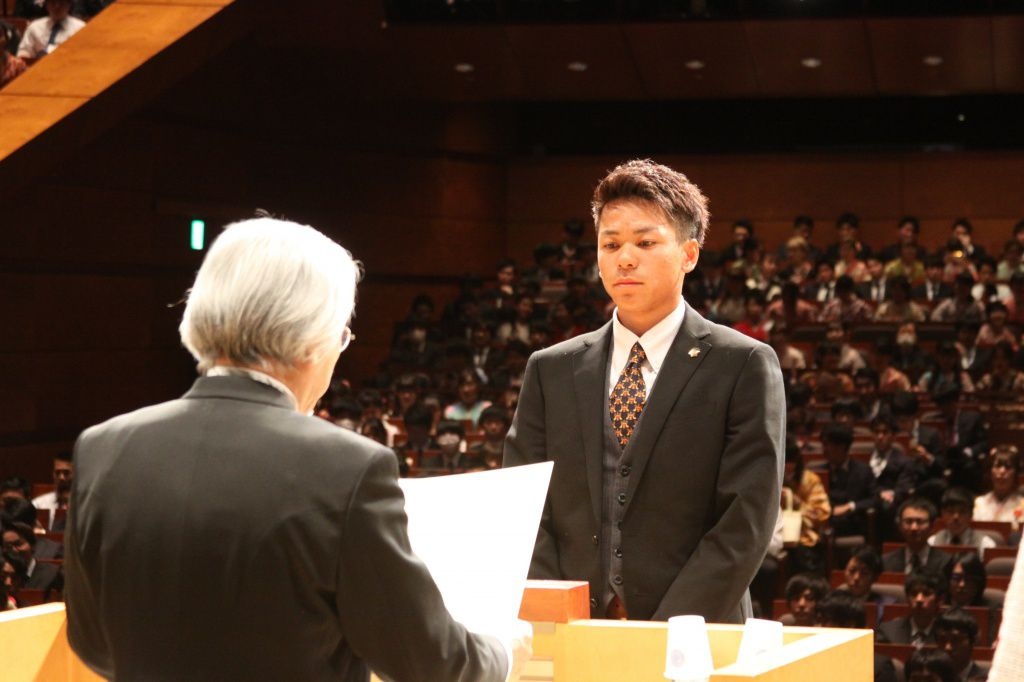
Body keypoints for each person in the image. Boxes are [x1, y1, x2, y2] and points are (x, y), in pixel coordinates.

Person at [65, 217, 529, 681]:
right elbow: (431, 665)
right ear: (313, 340)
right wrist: (503, 651)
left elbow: (92, 642)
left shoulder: (103, 449)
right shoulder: (347, 468)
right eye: (341, 337)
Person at [504, 159, 785, 623]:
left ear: (689, 255)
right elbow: (524, 506)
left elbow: (746, 520)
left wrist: (670, 630)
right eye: (610, 244)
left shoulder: (743, 362)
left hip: (697, 633)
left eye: (646, 242)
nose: (625, 257)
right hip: (574, 629)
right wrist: (561, 612)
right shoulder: (551, 368)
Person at [883, 499, 953, 577]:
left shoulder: (945, 562)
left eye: (920, 522)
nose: (914, 528)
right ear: (899, 526)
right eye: (908, 521)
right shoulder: (887, 561)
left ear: (932, 526)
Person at [876, 572, 944, 646]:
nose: (919, 599)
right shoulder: (888, 631)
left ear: (940, 600)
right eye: (914, 594)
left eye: (926, 593)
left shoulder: (947, 634)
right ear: (907, 599)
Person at [16, 0, 85, 60]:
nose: (57, 6)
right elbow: (23, 54)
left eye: (61, 2)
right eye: (53, 2)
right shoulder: (34, 27)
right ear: (46, 5)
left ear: (69, 4)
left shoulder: (81, 28)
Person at [933, 609, 989, 681]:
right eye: (942, 639)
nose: (948, 647)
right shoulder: (927, 678)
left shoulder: (989, 679)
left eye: (956, 640)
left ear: (973, 641)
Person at [32, 451, 72, 530]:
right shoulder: (38, 504)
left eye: (66, 473)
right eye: (57, 473)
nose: (61, 477)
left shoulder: (88, 504)